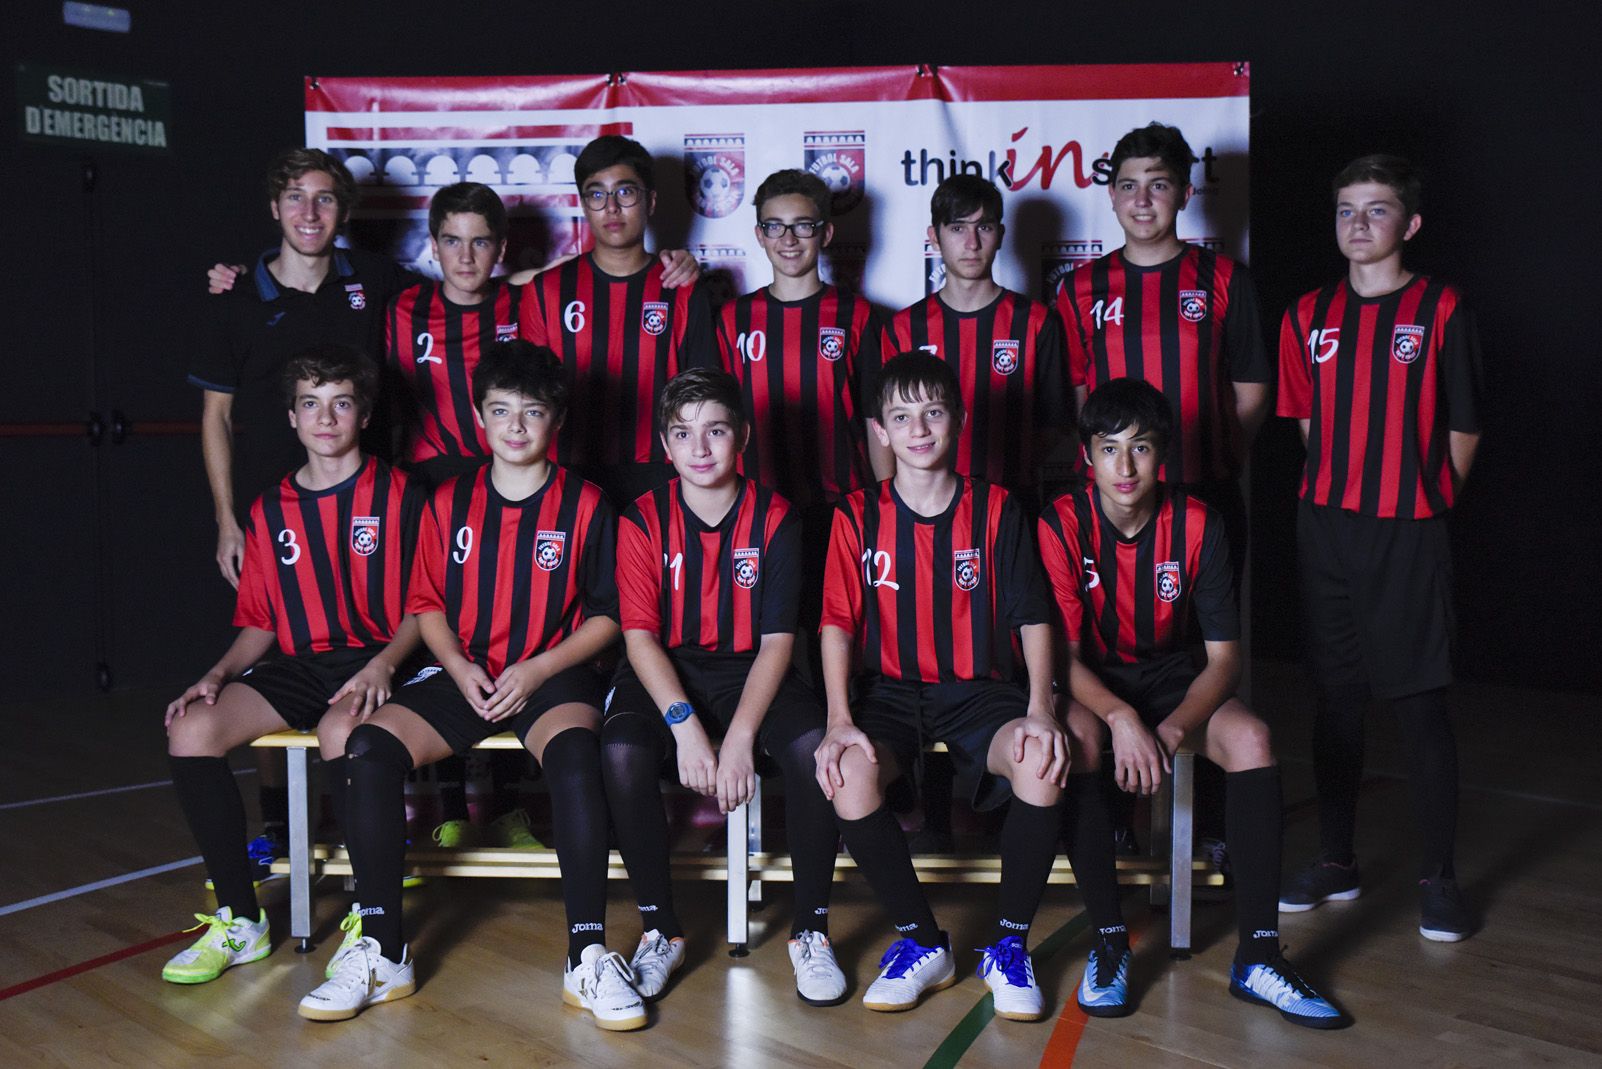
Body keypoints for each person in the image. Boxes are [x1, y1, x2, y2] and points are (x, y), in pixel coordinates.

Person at [295, 341, 639, 1028]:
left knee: (576, 758)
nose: (516, 426)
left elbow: (609, 615)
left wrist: (539, 668)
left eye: (532, 412)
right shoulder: (449, 500)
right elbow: (426, 602)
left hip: (550, 671)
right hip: (467, 669)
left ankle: (587, 954)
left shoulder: (587, 503)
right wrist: (458, 666)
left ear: (556, 419)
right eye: (501, 410)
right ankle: (383, 950)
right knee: (368, 748)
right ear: (480, 416)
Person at [1038, 377, 1346, 1029]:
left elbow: (1225, 659)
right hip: (1094, 681)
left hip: (1173, 677)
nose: (1125, 466)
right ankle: (1110, 941)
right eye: (1109, 448)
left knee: (1253, 739)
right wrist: (1122, 717)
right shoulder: (1061, 522)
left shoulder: (1199, 522)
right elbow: (1060, 659)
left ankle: (1258, 957)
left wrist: (1174, 727)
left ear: (1163, 453)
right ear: (1087, 457)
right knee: (1080, 738)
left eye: (1141, 447)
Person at [814, 352, 1069, 1021]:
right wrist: (839, 719)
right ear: (880, 430)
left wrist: (1042, 707)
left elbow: (1033, 614)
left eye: (933, 412)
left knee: (1041, 760)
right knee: (846, 772)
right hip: (889, 693)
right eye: (901, 416)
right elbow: (837, 622)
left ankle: (1009, 946)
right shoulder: (855, 514)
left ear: (958, 418)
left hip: (980, 691)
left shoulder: (998, 508)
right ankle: (924, 942)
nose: (919, 428)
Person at [161, 345, 423, 985]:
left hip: (385, 660)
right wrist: (217, 674)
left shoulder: (404, 495)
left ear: (364, 415)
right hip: (306, 664)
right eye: (311, 404)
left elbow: (429, 606)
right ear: (291, 417)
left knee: (343, 731)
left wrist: (385, 664)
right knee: (190, 729)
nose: (325, 418)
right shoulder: (269, 509)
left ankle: (370, 916)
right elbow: (261, 620)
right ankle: (240, 918)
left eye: (340, 403)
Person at [1053, 121, 1274, 866]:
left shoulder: (1224, 280)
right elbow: (1080, 396)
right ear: (1111, 197)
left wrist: (1205, 461)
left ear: (1184, 192)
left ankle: (1208, 818)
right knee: (1109, 652)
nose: (1142, 199)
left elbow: (1250, 391)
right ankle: (1115, 816)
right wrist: (1120, 474)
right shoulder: (1081, 288)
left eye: (1158, 184)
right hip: (1112, 510)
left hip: (1200, 498)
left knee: (1203, 656)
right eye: (1128, 186)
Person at [1275, 155, 1483, 943]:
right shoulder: (1307, 314)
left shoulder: (1441, 308)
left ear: (1410, 223)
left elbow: (1465, 426)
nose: (1358, 224)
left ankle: (1440, 878)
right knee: (1335, 700)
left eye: (1377, 209)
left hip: (1408, 528)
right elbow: (1306, 422)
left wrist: (1424, 500)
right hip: (1326, 528)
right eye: (1346, 210)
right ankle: (1337, 860)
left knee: (1420, 702)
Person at [190, 148, 416, 860]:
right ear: (274, 208)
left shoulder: (373, 279)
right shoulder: (236, 297)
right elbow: (215, 418)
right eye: (295, 197)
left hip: (362, 504)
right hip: (273, 514)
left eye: (324, 198)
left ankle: (386, 826)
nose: (309, 213)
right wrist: (228, 519)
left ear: (343, 211)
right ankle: (280, 825)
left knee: (383, 651)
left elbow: (476, 286)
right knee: (274, 660)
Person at [601, 368, 847, 1007]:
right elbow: (639, 639)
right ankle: (661, 930)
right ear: (665, 445)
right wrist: (687, 729)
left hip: (752, 667)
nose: (700, 447)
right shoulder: (642, 519)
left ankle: (811, 931)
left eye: (715, 431)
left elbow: (778, 642)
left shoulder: (777, 517)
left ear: (742, 436)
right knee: (622, 750)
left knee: (812, 749)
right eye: (684, 433)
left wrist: (737, 739)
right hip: (665, 668)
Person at [386, 181, 539, 852]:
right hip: (430, 492)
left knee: (510, 636)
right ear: (433, 245)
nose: (466, 255)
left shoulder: (524, 303)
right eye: (452, 240)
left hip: (509, 488)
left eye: (481, 242)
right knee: (438, 644)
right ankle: (449, 807)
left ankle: (507, 807)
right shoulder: (401, 307)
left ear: (501, 249)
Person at [716, 169, 886, 684]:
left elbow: (876, 420)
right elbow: (715, 423)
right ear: (759, 234)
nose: (788, 238)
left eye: (803, 225)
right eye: (775, 226)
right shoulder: (732, 319)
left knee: (836, 639)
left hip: (839, 509)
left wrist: (886, 506)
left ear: (826, 233)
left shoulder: (859, 316)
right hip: (754, 511)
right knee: (766, 641)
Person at [518, 135, 717, 507]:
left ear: (650, 201)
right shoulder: (546, 291)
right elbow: (529, 398)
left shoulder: (684, 289)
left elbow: (704, 396)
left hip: (661, 476)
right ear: (584, 205)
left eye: (625, 192)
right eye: (597, 194)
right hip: (567, 476)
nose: (611, 207)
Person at [879, 174, 1070, 506]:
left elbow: (1054, 425)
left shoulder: (1037, 322)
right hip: (926, 507)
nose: (972, 243)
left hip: (1012, 502)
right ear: (934, 237)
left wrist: (1004, 476)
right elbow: (884, 422)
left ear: (1000, 235)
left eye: (984, 227)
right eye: (957, 228)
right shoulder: (903, 328)